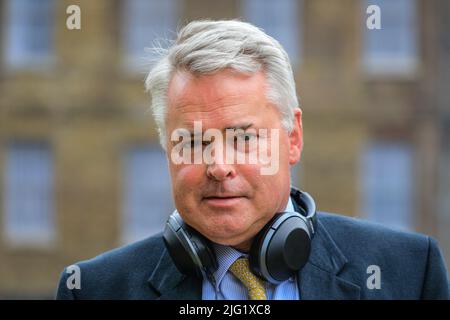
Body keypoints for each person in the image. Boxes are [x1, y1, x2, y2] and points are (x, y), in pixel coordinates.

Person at [56, 19, 449, 300]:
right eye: (192, 141)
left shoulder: (411, 273)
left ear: (292, 138)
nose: (218, 166)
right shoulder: (93, 289)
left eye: (243, 138)